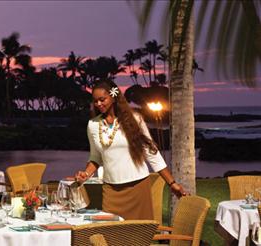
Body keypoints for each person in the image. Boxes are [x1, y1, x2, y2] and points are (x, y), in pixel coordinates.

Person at [75, 80, 187, 220]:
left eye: (102, 99)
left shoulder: (135, 119)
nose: (98, 104)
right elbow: (96, 157)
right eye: (95, 101)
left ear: (113, 96)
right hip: (111, 190)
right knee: (111, 237)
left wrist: (172, 183)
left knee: (138, 237)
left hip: (138, 188)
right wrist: (86, 174)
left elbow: (151, 152)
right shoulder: (92, 124)